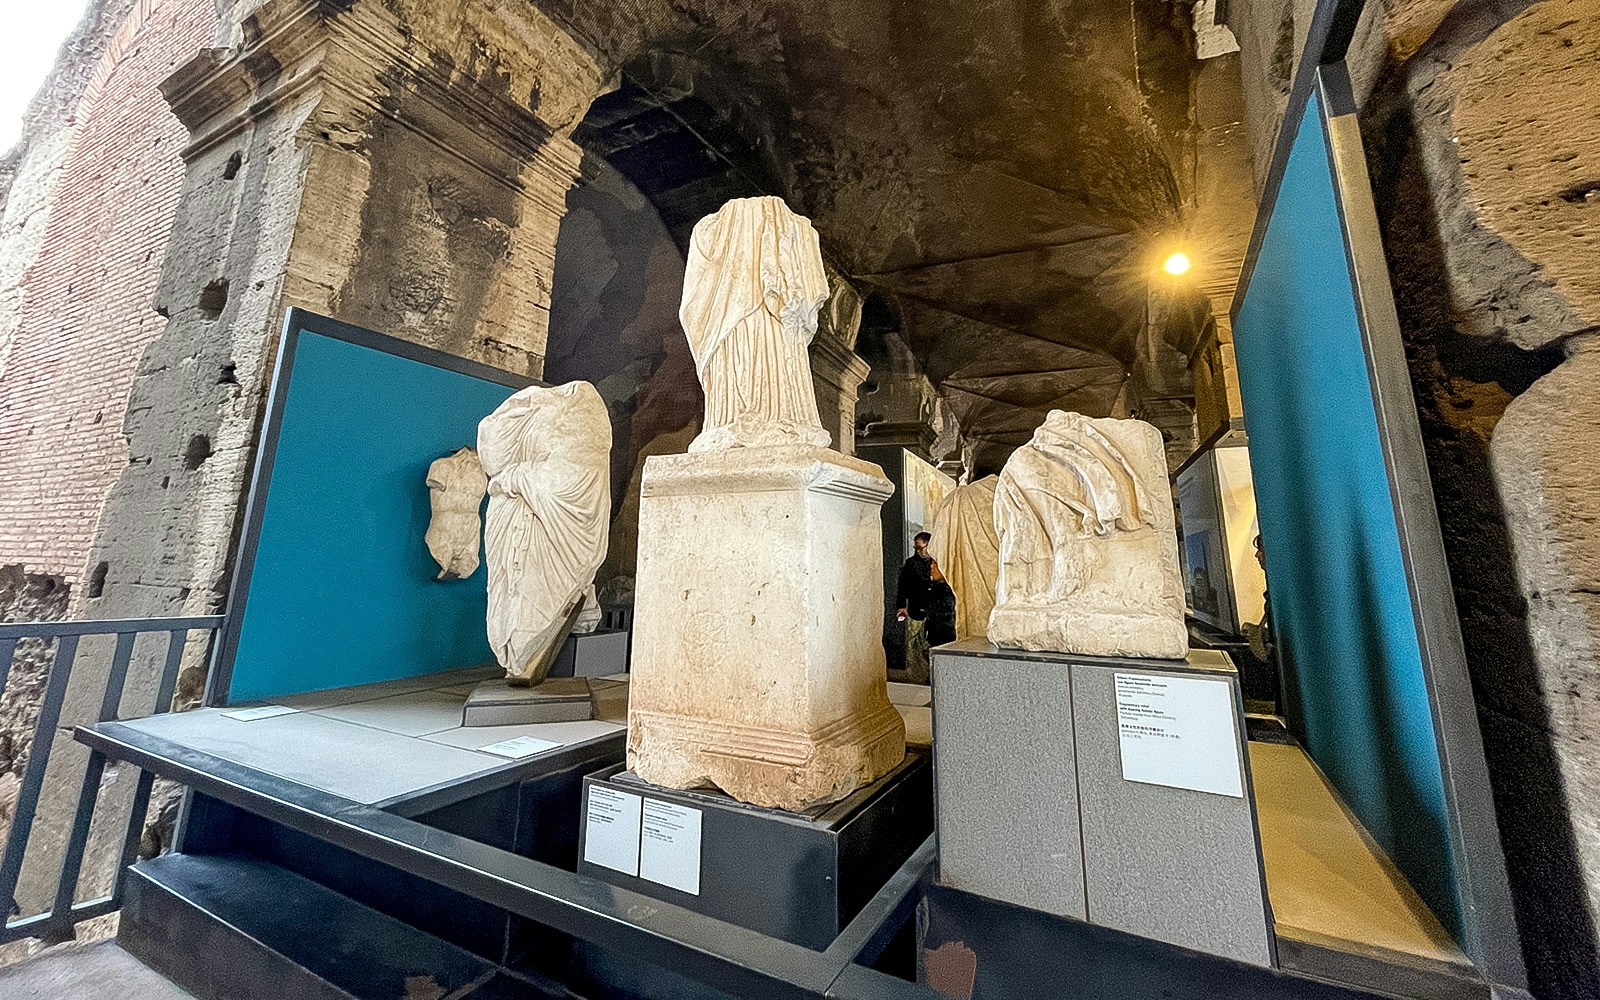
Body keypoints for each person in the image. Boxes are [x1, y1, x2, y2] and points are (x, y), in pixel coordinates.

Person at [896, 532, 957, 681]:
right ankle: (920, 675)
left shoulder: (938, 563)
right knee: (916, 646)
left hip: (937, 615)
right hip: (917, 611)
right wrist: (901, 606)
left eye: (921, 548)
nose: (918, 551)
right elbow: (902, 586)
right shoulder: (911, 564)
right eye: (916, 548)